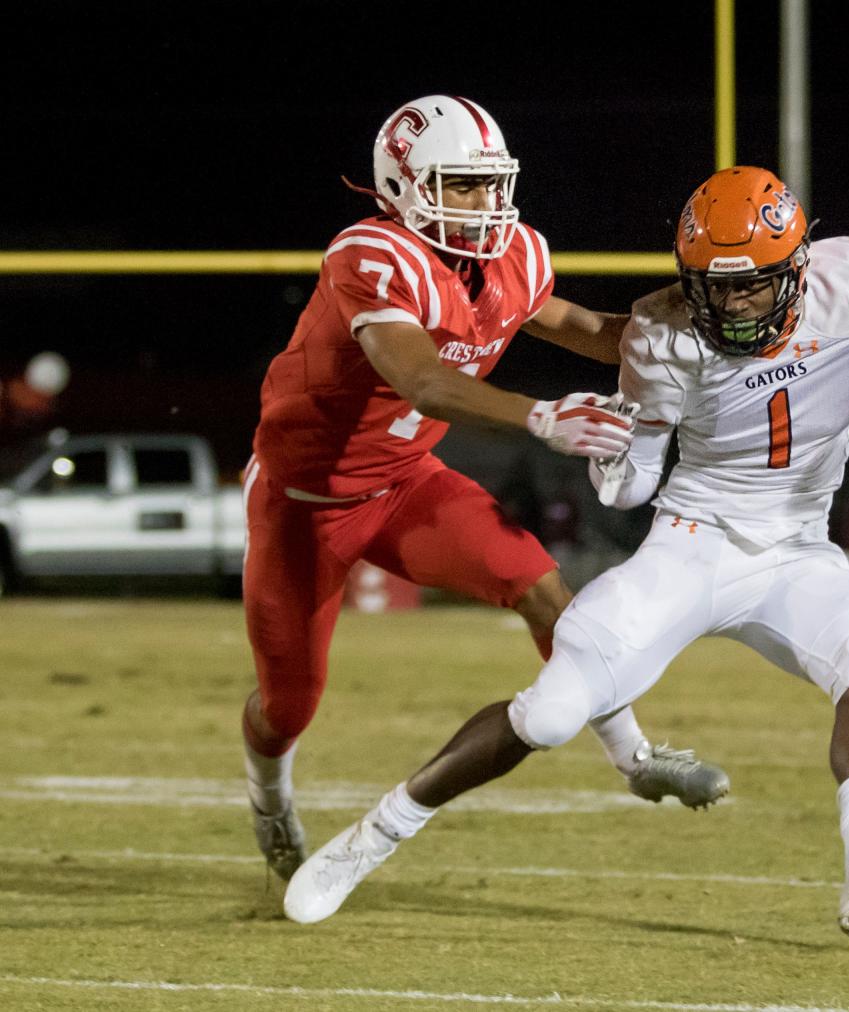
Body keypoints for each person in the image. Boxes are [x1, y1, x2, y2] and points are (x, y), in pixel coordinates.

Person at [281, 166, 849, 939]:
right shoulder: (663, 330)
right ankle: (369, 839)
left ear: (796, 267)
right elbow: (632, 489)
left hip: (797, 545)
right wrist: (617, 452)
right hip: (695, 540)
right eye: (712, 287)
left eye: (750, 286)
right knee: (549, 714)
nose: (730, 304)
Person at [240, 95, 729, 884]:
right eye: (462, 184)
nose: (485, 202)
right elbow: (423, 381)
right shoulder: (371, 257)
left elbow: (588, 331)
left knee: (544, 591)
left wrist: (695, 318)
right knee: (288, 702)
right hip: (305, 506)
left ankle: (636, 757)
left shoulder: (514, 256)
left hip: (405, 486)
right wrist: (541, 416)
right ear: (402, 186)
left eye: (490, 183)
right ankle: (269, 796)